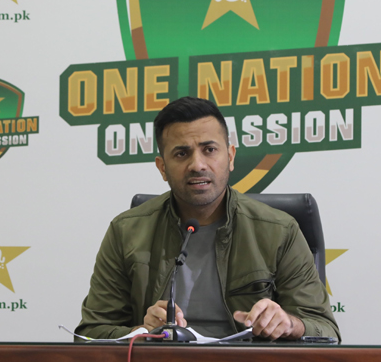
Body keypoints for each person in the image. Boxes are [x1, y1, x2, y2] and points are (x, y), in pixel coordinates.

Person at [75, 97, 340, 341]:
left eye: (209, 149)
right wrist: (142, 332)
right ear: (162, 168)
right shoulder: (126, 232)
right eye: (182, 154)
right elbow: (90, 333)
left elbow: (326, 331)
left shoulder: (280, 231)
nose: (197, 165)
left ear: (231, 157)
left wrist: (290, 324)